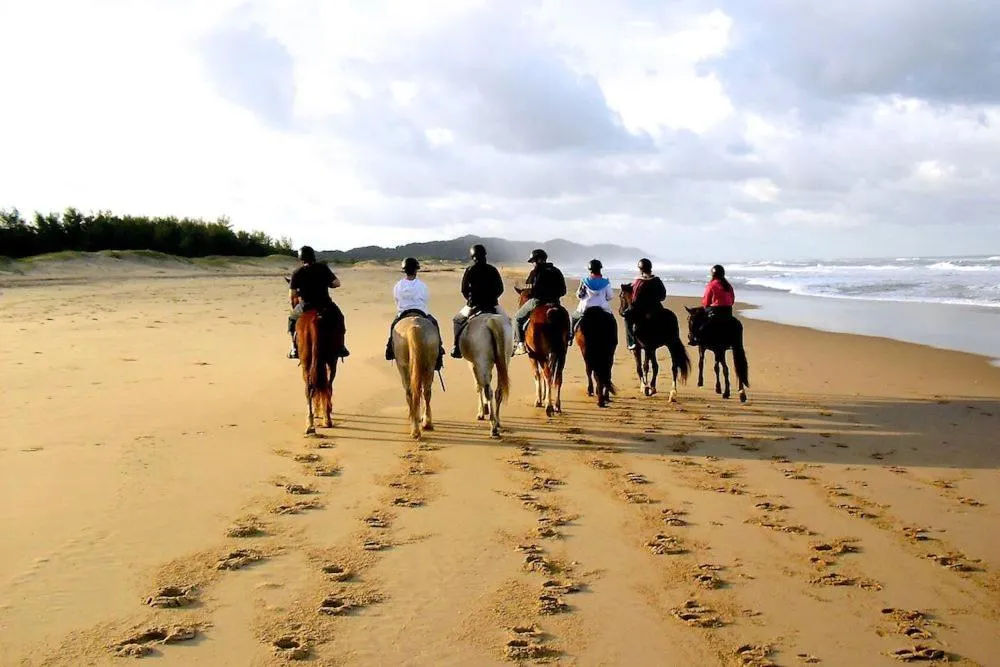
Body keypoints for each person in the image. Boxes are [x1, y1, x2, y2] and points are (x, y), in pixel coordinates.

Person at [287, 245, 350, 359]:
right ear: (313, 256)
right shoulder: (323, 268)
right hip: (325, 304)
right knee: (340, 318)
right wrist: (329, 284)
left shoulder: (297, 272)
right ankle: (341, 346)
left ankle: (294, 348)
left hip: (305, 306)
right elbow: (337, 283)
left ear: (301, 258)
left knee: (292, 320)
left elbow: (292, 295)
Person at [385, 257, 445, 370]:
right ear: (416, 270)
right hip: (421, 312)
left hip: (403, 313)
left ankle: (390, 348)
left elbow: (396, 299)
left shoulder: (398, 285)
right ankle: (439, 350)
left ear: (404, 271)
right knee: (435, 324)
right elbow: (426, 299)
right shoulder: (422, 285)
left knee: (393, 326)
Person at [451, 243, 505, 358]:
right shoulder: (492, 269)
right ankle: (511, 346)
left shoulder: (470, 270)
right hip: (492, 305)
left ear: (473, 257)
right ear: (485, 255)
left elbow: (464, 290)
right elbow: (500, 288)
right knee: (507, 321)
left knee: (457, 320)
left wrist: (471, 301)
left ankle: (456, 347)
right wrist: (493, 299)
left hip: (473, 305)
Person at [512, 248, 567, 355]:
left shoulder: (535, 272)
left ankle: (520, 345)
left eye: (533, 261)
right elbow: (563, 291)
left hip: (537, 301)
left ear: (537, 260)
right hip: (555, 302)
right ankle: (568, 336)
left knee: (517, 319)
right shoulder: (556, 271)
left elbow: (529, 291)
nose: (533, 264)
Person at [623, 257, 667, 350]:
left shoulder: (638, 281)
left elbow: (634, 299)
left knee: (627, 316)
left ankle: (631, 341)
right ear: (650, 268)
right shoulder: (657, 280)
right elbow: (663, 296)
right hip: (656, 308)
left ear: (641, 269)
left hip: (641, 310)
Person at [692, 264, 736, 344]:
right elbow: (732, 301)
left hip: (715, 312)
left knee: (698, 319)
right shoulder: (729, 286)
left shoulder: (711, 285)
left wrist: (706, 306)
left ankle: (696, 338)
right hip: (728, 312)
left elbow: (706, 302)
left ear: (713, 275)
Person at [571, 259, 614, 334]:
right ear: (600, 269)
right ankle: (614, 339)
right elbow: (610, 296)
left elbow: (579, 295)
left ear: (590, 269)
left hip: (585, 308)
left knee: (574, 317)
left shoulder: (585, 281)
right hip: (603, 308)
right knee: (612, 322)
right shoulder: (606, 282)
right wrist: (603, 298)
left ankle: (571, 336)